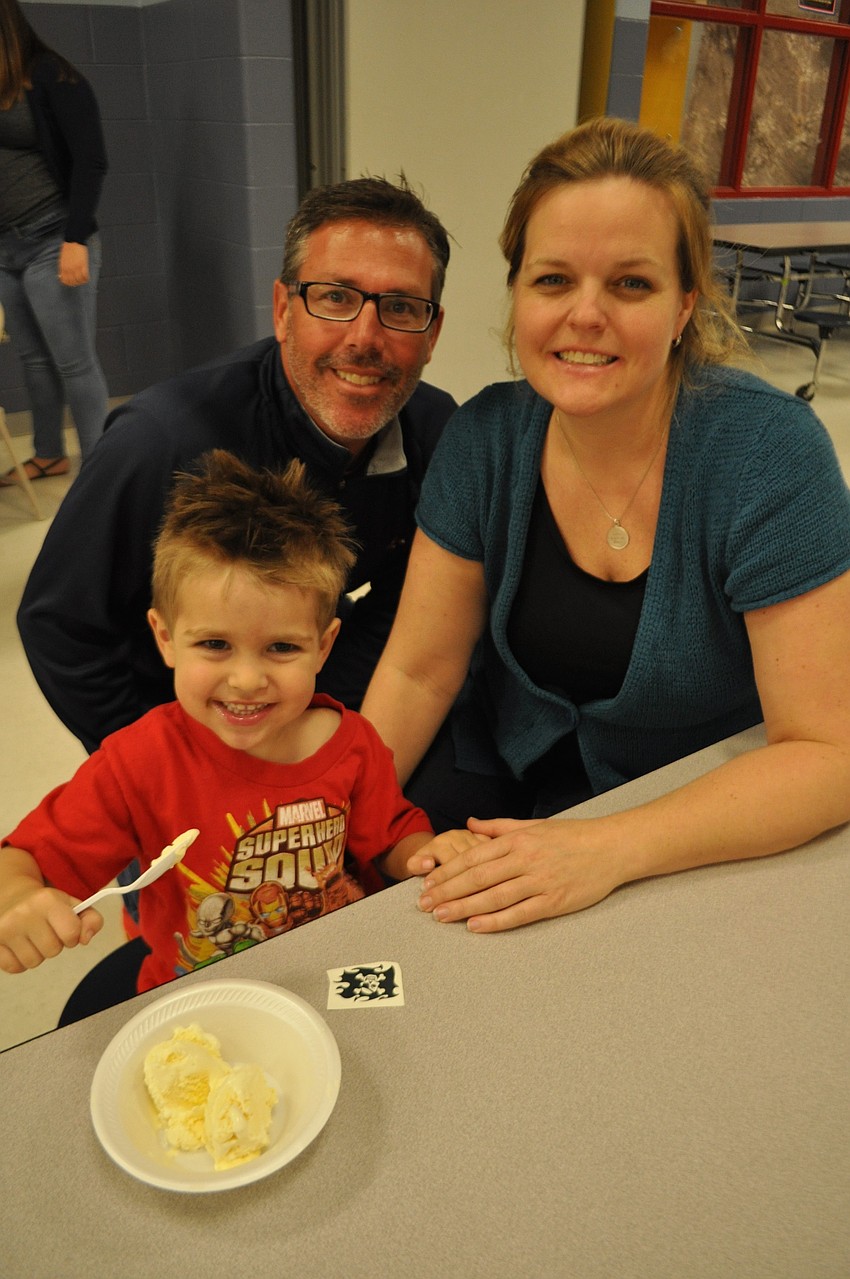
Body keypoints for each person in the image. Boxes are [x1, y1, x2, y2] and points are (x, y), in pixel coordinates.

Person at [361, 117, 850, 933]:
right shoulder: (486, 438)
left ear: (686, 303)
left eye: (630, 284)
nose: (585, 315)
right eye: (553, 280)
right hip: (513, 783)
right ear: (517, 294)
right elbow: (420, 673)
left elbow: (827, 755)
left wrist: (600, 847)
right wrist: (332, 818)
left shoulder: (767, 454)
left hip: (693, 819)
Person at [17, 173, 454, 754]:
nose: (365, 337)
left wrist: (323, 730)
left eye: (401, 307)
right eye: (335, 297)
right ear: (282, 310)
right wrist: (173, 767)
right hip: (169, 716)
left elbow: (406, 606)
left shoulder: (436, 434)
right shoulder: (160, 442)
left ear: (432, 335)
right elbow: (62, 626)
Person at [0, 451, 436, 1008]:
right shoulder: (138, 763)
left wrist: (427, 858)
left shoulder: (351, 742)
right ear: (164, 637)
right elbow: (26, 860)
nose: (248, 679)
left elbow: (394, 837)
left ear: (324, 646)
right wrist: (18, 898)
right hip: (201, 997)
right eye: (214, 644)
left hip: (337, 976)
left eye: (282, 647)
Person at [0, 0, 108, 483]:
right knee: (33, 358)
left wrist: (75, 238)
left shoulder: (53, 77)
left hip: (52, 238)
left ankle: (103, 471)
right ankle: (49, 453)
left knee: (74, 362)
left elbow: (90, 160)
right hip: (4, 249)